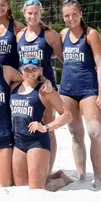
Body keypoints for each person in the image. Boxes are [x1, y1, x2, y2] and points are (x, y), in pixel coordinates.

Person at [0, 40, 53, 187]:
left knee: (6, 184)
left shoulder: (7, 71)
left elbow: (30, 79)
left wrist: (45, 81)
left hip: (4, 132)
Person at [59, 0, 101, 188]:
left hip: (89, 90)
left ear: (80, 13)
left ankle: (98, 177)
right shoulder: (62, 34)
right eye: (66, 16)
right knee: (75, 133)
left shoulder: (91, 34)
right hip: (67, 90)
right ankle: (81, 176)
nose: (70, 18)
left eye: (73, 14)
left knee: (95, 131)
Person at [10, 57, 73, 190]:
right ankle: (54, 175)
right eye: (27, 69)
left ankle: (62, 180)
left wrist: (46, 127)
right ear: (21, 70)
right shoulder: (14, 87)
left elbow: (67, 115)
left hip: (36, 142)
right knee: (20, 186)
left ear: (40, 70)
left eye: (34, 69)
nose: (30, 72)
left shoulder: (45, 90)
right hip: (18, 141)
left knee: (37, 188)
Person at [17, 0, 63, 171]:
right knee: (26, 124)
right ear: (24, 14)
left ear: (41, 13)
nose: (33, 16)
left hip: (46, 86)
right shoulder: (19, 35)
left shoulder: (50, 35)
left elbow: (64, 58)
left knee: (48, 128)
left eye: (36, 13)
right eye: (30, 13)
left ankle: (48, 169)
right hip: (26, 87)